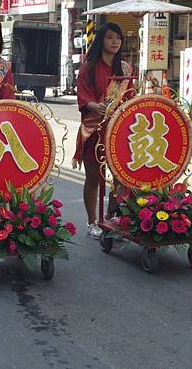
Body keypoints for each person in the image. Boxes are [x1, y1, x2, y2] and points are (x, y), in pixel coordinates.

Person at [72, 22, 132, 239]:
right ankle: (91, 222)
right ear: (101, 40)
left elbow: (130, 96)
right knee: (94, 177)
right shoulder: (88, 68)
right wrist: (94, 105)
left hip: (117, 129)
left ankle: (112, 215)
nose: (114, 42)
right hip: (94, 128)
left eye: (118, 38)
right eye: (109, 37)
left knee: (120, 176)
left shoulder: (125, 69)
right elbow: (83, 96)